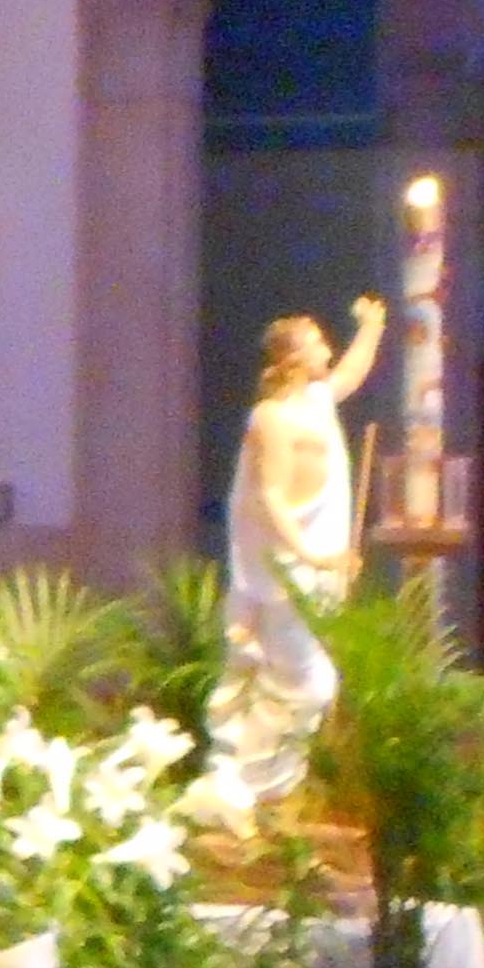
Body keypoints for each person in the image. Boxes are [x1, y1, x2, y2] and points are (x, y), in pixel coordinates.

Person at [208, 294, 386, 803]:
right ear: (291, 360)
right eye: (316, 344)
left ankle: (277, 788)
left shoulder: (317, 402)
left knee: (306, 681)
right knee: (305, 682)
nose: (327, 349)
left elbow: (350, 374)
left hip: (319, 564)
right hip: (288, 568)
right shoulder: (273, 417)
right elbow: (269, 495)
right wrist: (309, 555)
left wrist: (371, 328)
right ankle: (252, 784)